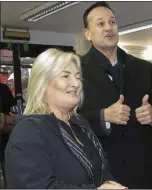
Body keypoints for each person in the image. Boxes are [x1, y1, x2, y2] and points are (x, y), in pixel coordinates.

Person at [4, 48, 126, 189]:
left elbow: (102, 169)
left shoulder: (80, 124)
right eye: (65, 76)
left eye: (78, 76)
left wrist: (112, 184)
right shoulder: (28, 131)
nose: (76, 84)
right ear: (42, 82)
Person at [79, 2, 152, 189]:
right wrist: (103, 116)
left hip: (141, 172)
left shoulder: (143, 68)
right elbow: (69, 118)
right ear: (87, 33)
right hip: (100, 173)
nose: (109, 28)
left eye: (112, 22)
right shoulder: (76, 70)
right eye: (101, 24)